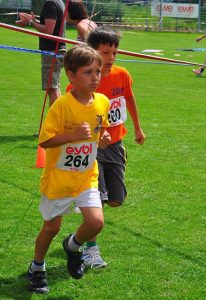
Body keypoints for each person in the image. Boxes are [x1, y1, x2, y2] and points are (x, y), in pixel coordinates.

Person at [26, 44, 111, 294]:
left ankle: (73, 247)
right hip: (59, 180)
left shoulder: (102, 102)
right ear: (71, 76)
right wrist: (71, 135)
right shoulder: (62, 105)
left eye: (97, 71)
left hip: (86, 177)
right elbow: (45, 140)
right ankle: (37, 267)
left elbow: (100, 130)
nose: (95, 77)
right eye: (88, 72)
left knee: (96, 223)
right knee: (51, 228)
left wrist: (102, 139)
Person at [67, 27, 145, 269]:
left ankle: (82, 222)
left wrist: (137, 128)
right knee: (97, 201)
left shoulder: (122, 75)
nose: (111, 58)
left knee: (115, 200)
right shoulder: (84, 82)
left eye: (114, 52)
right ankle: (91, 250)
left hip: (115, 145)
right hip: (92, 147)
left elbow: (129, 98)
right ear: (92, 52)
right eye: (105, 52)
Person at [16, 0, 66, 105]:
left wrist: (30, 22)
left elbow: (49, 31)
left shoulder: (50, 3)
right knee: (55, 87)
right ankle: (60, 118)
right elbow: (51, 26)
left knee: (52, 88)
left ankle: (57, 120)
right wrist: (34, 21)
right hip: (57, 50)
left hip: (52, 51)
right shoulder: (58, 2)